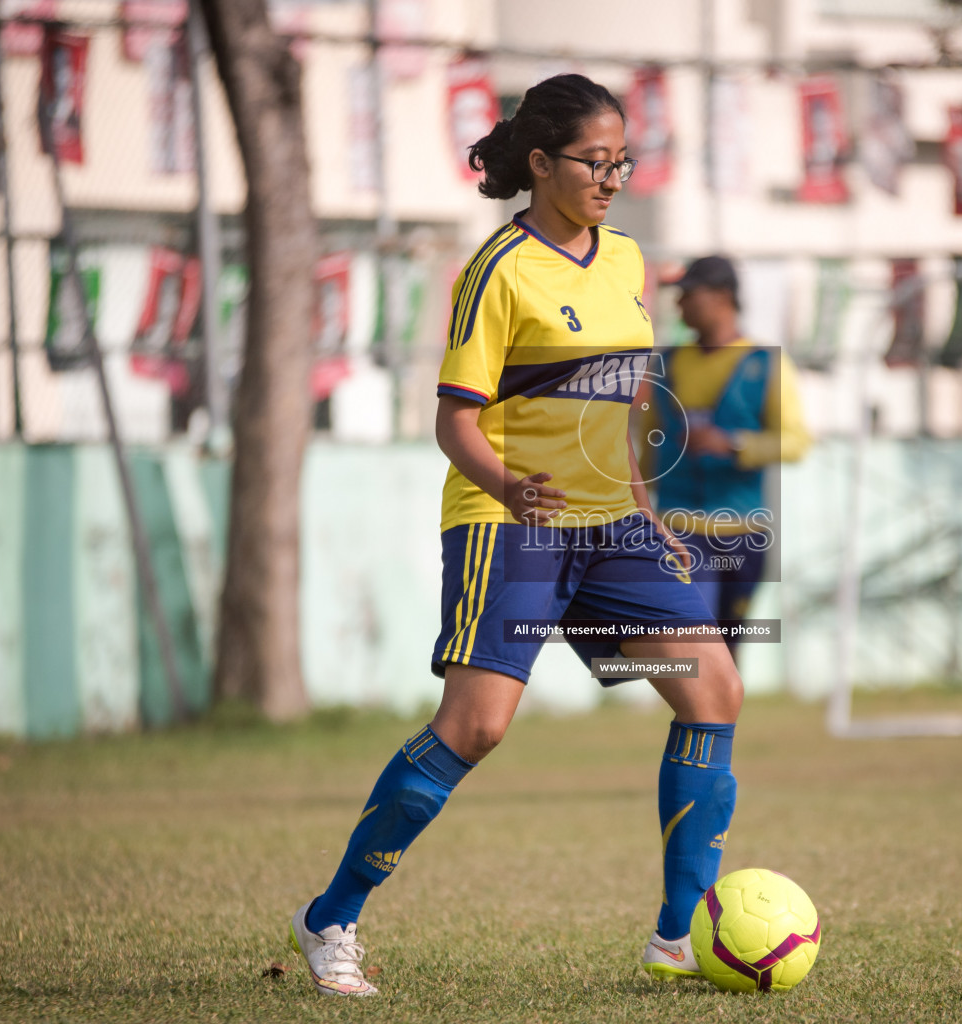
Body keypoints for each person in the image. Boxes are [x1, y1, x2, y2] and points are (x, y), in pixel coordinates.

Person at [287, 74, 745, 997]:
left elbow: (625, 402)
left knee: (714, 689)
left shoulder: (625, 261)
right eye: (594, 161)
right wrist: (511, 485)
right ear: (540, 163)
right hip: (510, 522)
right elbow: (454, 422)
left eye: (623, 161)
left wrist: (649, 514)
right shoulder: (495, 271)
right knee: (477, 727)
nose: (612, 178)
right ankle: (331, 917)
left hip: (610, 522)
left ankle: (677, 937)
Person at [641, 256, 810, 657]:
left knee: (726, 653)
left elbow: (796, 441)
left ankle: (714, 721)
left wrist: (733, 444)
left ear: (722, 297)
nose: (679, 306)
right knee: (695, 648)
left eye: (688, 295)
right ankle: (694, 716)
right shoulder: (665, 364)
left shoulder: (766, 363)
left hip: (742, 534)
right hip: (678, 530)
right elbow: (647, 444)